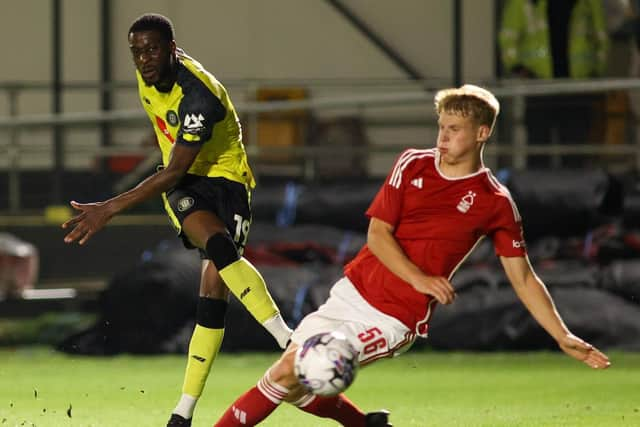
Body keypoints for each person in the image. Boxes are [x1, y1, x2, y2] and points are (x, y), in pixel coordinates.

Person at [212, 84, 611, 427]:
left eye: (454, 130)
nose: (442, 137)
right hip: (350, 292)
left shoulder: (495, 203)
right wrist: (419, 276)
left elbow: (523, 278)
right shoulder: (411, 163)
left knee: (288, 370)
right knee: (296, 382)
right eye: (441, 127)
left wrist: (563, 335)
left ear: (482, 133)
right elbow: (378, 233)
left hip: (393, 317)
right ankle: (363, 423)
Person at [61, 13, 292, 427]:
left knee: (212, 293)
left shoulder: (198, 95)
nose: (144, 59)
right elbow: (176, 176)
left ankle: (183, 411)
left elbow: (171, 171)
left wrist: (109, 207)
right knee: (217, 247)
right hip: (185, 186)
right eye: (136, 51)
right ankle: (289, 341)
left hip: (227, 181)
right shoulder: (148, 75)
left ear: (171, 48)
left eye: (151, 49)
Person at [498, 0, 609, 167]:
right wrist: (518, 68)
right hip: (539, 86)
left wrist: (595, 73)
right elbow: (508, 37)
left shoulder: (588, 3)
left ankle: (574, 190)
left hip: (578, 87)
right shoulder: (524, 2)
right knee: (538, 146)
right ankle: (538, 190)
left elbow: (602, 37)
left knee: (575, 148)